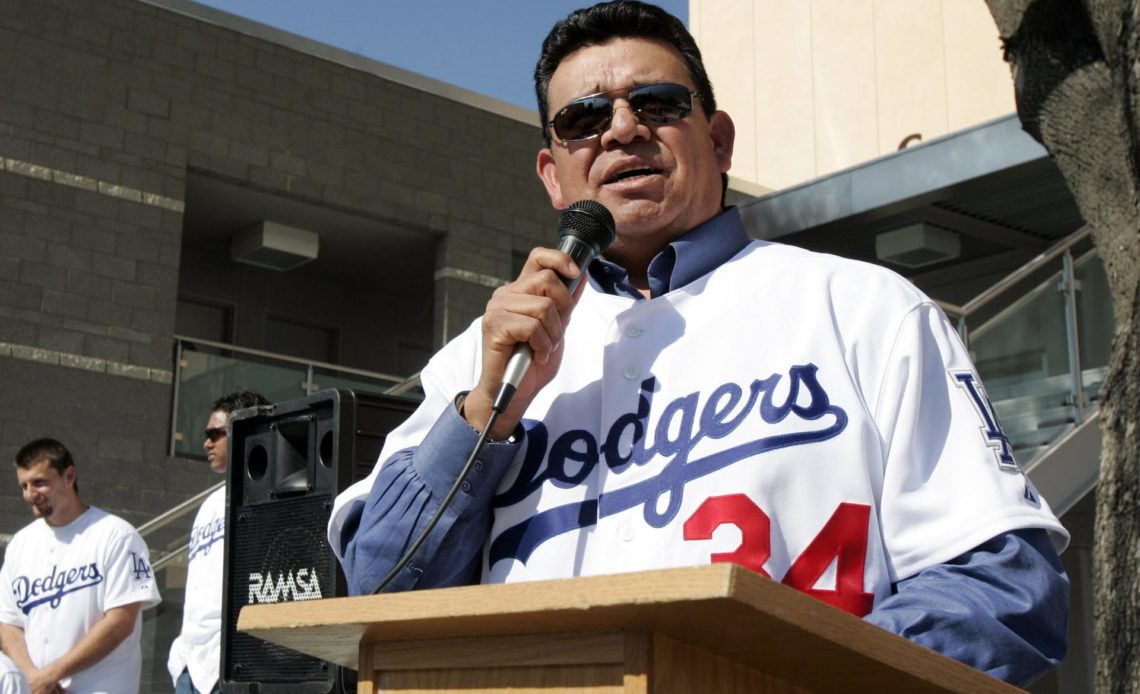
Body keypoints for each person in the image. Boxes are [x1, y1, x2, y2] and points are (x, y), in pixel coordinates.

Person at [328, 1, 1070, 686]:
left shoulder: (863, 307)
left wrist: (783, 679)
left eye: (656, 103)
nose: (620, 129)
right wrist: (488, 411)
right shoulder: (484, 357)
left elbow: (1000, 586)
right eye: (583, 119)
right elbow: (381, 593)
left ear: (716, 140)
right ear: (554, 176)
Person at [0, 438, 161, 694]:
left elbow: (120, 621)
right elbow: (7, 623)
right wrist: (34, 678)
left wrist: (52, 674)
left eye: (40, 482)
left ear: (69, 476)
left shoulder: (116, 535)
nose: (30, 494)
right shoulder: (20, 544)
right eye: (24, 485)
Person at [167, 389, 270, 694]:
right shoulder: (209, 504)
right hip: (189, 664)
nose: (206, 443)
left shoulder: (265, 497)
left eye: (216, 433)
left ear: (243, 432)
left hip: (233, 662)